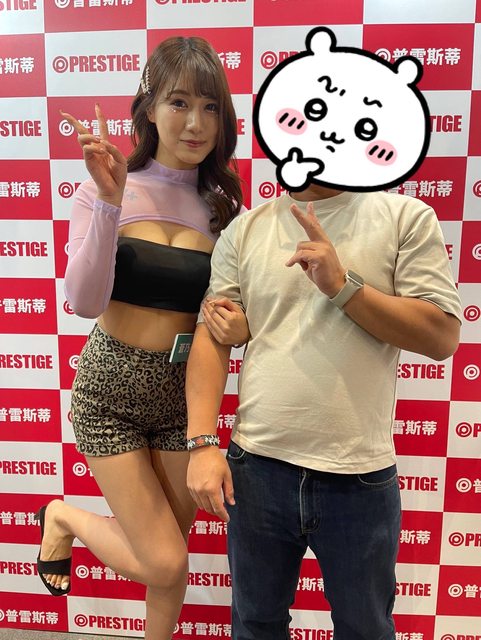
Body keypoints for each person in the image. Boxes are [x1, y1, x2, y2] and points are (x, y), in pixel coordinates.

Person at [34, 36, 249, 640]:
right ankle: (62, 516)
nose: (195, 122)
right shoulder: (107, 186)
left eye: (210, 107)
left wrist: (242, 327)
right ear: (149, 109)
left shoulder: (224, 208)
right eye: (179, 102)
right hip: (110, 391)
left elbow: (231, 311)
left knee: (168, 558)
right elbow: (83, 302)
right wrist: (109, 202)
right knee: (165, 561)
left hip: (183, 396)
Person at [185, 180, 462, 639]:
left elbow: (441, 337)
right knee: (255, 624)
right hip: (256, 467)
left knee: (365, 628)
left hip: (359, 476)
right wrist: (200, 444)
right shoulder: (246, 229)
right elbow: (212, 334)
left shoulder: (404, 217)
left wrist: (341, 286)